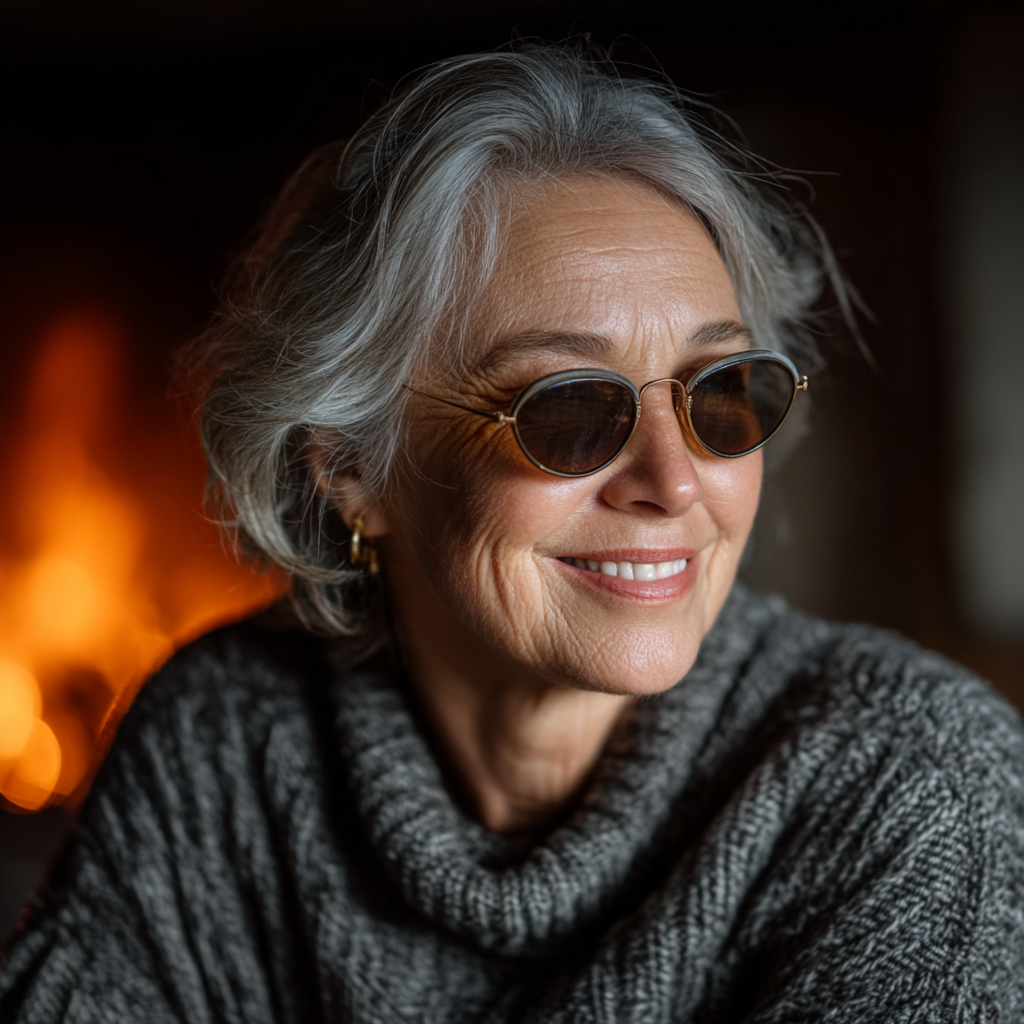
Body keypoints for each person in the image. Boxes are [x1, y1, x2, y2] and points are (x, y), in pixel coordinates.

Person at [2, 43, 1023, 1024]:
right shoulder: (223, 739)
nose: (674, 483)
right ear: (351, 467)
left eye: (721, 392)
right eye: (569, 411)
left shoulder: (917, 781)